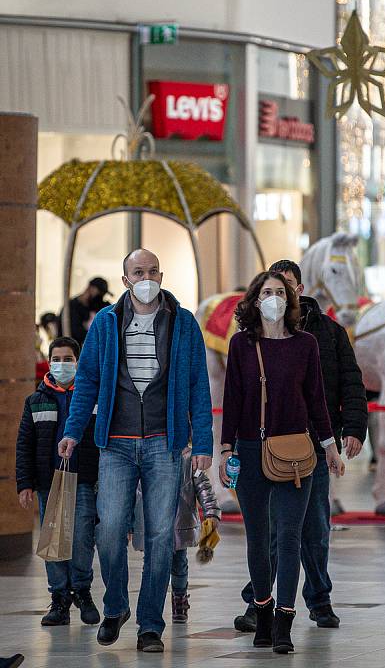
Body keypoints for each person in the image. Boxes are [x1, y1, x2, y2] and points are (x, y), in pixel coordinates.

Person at [57, 249, 213, 654]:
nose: (146, 277)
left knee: (161, 536)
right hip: (117, 446)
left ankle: (150, 625)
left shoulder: (183, 323)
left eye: (151, 271)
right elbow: (87, 381)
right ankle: (115, 607)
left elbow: (199, 384)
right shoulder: (106, 324)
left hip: (165, 443)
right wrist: (73, 431)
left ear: (161, 274)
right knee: (108, 533)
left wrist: (205, 443)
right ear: (125, 279)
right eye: (137, 272)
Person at [234, 259, 367, 633]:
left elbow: (350, 383)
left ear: (301, 289)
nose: (281, 296)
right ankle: (259, 603)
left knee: (314, 528)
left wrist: (351, 430)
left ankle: (319, 599)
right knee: (273, 531)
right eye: (273, 290)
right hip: (265, 445)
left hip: (312, 445)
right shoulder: (252, 339)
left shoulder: (327, 333)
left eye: (287, 287)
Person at [220, 271, 345, 654]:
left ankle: (285, 622)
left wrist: (330, 446)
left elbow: (317, 400)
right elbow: (233, 399)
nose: (273, 298)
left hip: (296, 453)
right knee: (259, 540)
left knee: (289, 537)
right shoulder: (242, 345)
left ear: (290, 300)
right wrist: (226, 450)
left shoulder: (306, 344)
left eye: (280, 292)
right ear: (255, 300)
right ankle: (262, 610)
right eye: (266, 292)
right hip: (250, 451)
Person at [16, 337, 100, 627]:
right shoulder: (35, 401)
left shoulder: (91, 399)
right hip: (48, 482)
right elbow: (24, 444)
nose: (62, 365)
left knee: (81, 538)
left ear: (78, 362)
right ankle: (60, 598)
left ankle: (83, 590)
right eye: (57, 359)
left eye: (68, 359)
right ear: (49, 362)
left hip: (84, 480)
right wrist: (25, 483)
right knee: (53, 539)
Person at [131, 444, 221, 623]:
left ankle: (179, 598)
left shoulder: (188, 459)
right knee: (151, 565)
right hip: (153, 524)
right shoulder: (143, 456)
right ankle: (151, 605)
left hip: (178, 525)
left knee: (179, 565)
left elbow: (203, 488)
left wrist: (211, 512)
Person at [58, 277, 112, 346]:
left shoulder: (96, 306)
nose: (101, 297)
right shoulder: (72, 308)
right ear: (90, 288)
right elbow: (76, 333)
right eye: (100, 293)